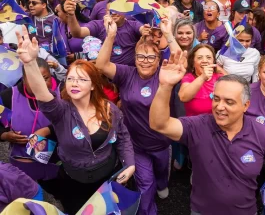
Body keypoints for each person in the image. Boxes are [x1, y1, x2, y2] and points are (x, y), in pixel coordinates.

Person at [149, 52, 265, 214]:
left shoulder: (260, 133)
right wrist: (165, 86)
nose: (219, 107)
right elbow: (159, 124)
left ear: (246, 106)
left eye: (229, 102)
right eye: (216, 99)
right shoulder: (198, 126)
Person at [15, 26, 135, 214]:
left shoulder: (109, 108)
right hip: (74, 184)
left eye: (81, 79)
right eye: (70, 79)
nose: (74, 83)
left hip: (108, 178)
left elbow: (123, 137)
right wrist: (30, 63)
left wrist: (130, 164)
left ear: (93, 86)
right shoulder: (60, 111)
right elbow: (41, 93)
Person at [95, 17, 174, 214]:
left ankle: (163, 182)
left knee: (161, 174)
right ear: (134, 58)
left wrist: (169, 33)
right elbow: (101, 65)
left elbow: (180, 56)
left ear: (159, 60)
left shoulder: (165, 75)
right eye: (140, 56)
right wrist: (111, 36)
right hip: (135, 143)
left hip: (161, 141)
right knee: (145, 184)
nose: (145, 62)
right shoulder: (126, 73)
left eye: (150, 57)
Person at [0, 58, 60, 181]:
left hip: (57, 159)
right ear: (24, 79)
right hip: (23, 161)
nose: (40, 84)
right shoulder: (8, 97)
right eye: (33, 79)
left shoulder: (61, 91)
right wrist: (5, 135)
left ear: (51, 75)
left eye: (45, 78)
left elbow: (73, 121)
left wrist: (47, 130)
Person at [64, 0, 149, 66]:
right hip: (105, 73)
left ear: (124, 11)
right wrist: (71, 15)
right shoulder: (98, 25)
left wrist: (145, 30)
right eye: (111, 11)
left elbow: (142, 29)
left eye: (117, 10)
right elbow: (77, 33)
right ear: (106, 12)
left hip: (129, 72)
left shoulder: (132, 25)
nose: (114, 13)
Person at [179, 44, 223, 116]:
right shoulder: (189, 78)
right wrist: (203, 77)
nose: (205, 61)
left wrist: (219, 69)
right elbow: (183, 97)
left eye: (209, 58)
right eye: (199, 58)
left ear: (213, 61)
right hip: (195, 124)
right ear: (193, 63)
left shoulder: (220, 78)